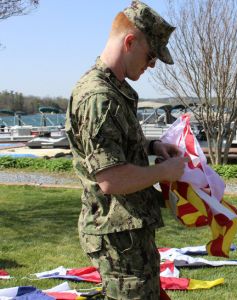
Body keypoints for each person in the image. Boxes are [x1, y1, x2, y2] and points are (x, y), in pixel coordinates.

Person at [65, 1, 187, 298]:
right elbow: (111, 179)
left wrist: (153, 145)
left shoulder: (114, 90)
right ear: (130, 42)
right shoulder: (99, 98)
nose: (152, 64)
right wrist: (164, 171)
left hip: (128, 234)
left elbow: (112, 144)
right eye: (151, 55)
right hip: (119, 240)